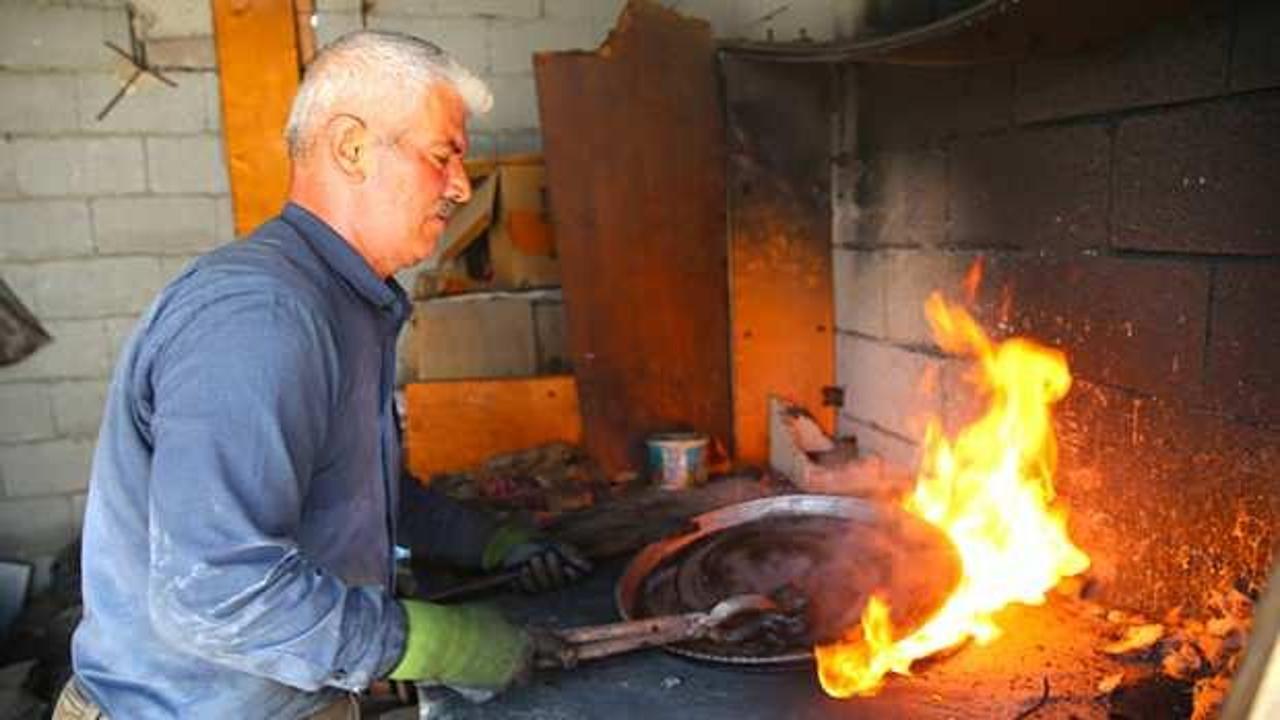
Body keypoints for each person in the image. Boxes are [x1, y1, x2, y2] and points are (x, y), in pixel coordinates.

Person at [55, 30, 591, 719]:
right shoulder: (263, 314)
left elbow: (353, 488)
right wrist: (440, 645)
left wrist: (488, 540)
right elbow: (216, 592)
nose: (461, 185)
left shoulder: (344, 301)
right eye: (443, 156)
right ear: (352, 147)